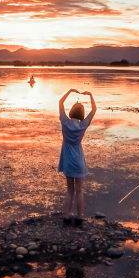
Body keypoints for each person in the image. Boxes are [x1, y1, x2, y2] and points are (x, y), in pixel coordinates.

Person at [57, 88, 96, 226]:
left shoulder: (65, 121)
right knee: (79, 191)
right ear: (81, 114)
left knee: (69, 190)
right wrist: (90, 94)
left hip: (67, 161)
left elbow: (61, 102)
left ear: (71, 111)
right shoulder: (82, 125)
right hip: (79, 161)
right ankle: (79, 218)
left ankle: (66, 217)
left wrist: (70, 91)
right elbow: (94, 110)